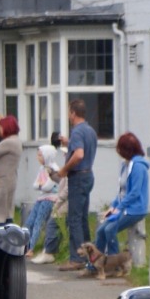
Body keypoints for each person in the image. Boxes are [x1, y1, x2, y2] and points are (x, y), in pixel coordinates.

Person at [86, 132, 149, 274]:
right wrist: (113, 207)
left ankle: (115, 263)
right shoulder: (125, 165)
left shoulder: (138, 167)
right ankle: (95, 265)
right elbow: (122, 191)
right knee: (101, 230)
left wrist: (119, 208)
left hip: (136, 209)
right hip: (125, 207)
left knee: (110, 229)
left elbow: (134, 193)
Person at [55, 99, 97, 271]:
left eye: (68, 112)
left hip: (78, 177)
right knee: (83, 217)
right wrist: (68, 142)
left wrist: (64, 169)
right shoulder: (90, 130)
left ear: (73, 113)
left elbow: (79, 154)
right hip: (88, 175)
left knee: (74, 219)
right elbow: (83, 149)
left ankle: (77, 258)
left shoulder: (77, 132)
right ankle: (90, 255)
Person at [22, 142, 63, 259]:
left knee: (38, 222)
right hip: (41, 198)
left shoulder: (54, 169)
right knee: (29, 222)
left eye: (40, 155)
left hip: (49, 198)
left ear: (47, 155)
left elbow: (47, 186)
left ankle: (32, 248)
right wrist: (40, 185)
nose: (38, 157)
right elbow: (35, 184)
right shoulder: (42, 168)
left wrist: (40, 185)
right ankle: (24, 244)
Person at [33, 132, 68, 264]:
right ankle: (49, 250)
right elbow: (60, 181)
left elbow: (66, 188)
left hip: (63, 201)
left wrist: (58, 201)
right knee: (52, 223)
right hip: (61, 199)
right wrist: (52, 174)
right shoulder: (65, 166)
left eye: (65, 153)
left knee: (52, 224)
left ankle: (49, 252)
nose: (63, 155)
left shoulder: (71, 166)